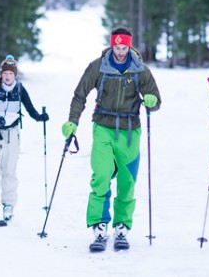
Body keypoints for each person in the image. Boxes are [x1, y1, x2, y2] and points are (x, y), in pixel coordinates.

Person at [62, 26, 161, 251]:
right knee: (101, 176)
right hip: (103, 127)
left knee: (127, 182)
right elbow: (80, 95)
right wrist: (73, 121)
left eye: (124, 46)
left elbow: (155, 98)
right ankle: (99, 225)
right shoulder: (98, 66)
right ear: (111, 45)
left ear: (129, 45)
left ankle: (122, 226)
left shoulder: (140, 70)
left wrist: (152, 101)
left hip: (130, 130)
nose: (120, 51)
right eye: (116, 46)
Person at [0, 55, 49, 224]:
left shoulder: (20, 89)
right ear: (1, 74)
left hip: (12, 132)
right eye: (5, 73)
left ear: (15, 75)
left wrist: (40, 117)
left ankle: (8, 204)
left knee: (9, 169)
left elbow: (30, 109)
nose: (8, 76)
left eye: (11, 73)